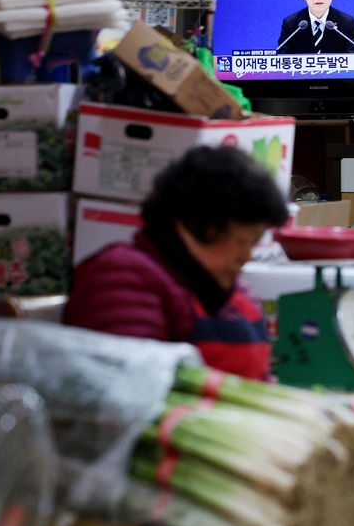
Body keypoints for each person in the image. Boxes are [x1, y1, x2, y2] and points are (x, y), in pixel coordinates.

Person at [64, 145, 288, 382]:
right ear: (196, 223)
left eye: (253, 244)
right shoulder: (123, 276)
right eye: (241, 242)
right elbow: (126, 389)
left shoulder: (240, 295)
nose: (246, 257)